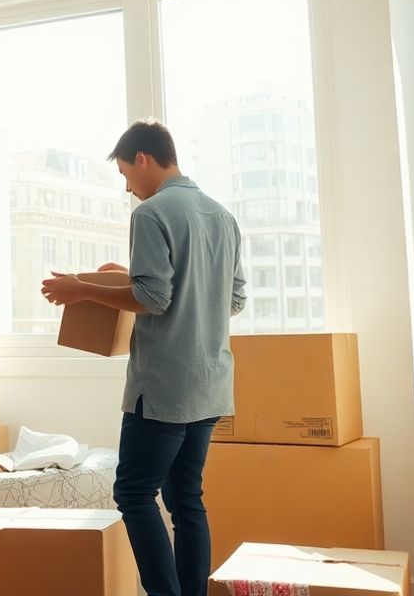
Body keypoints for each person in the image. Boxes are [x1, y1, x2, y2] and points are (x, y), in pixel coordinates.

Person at [40, 120, 246, 596]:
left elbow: (153, 299)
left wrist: (81, 289)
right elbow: (231, 299)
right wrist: (135, 276)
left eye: (125, 174)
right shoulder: (222, 217)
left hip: (164, 388)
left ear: (144, 159)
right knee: (186, 499)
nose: (127, 187)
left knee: (133, 494)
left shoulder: (152, 214)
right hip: (211, 384)